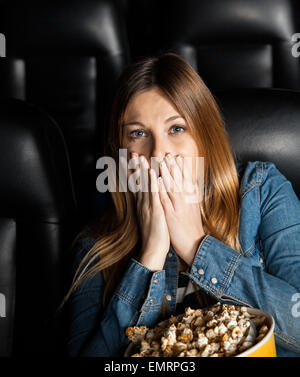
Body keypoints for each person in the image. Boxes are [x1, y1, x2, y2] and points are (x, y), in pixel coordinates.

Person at [64, 53, 300, 357]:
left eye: (176, 128)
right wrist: (150, 257)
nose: (159, 152)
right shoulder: (95, 244)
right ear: (121, 151)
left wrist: (196, 245)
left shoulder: (262, 190)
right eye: (138, 133)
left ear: (204, 136)